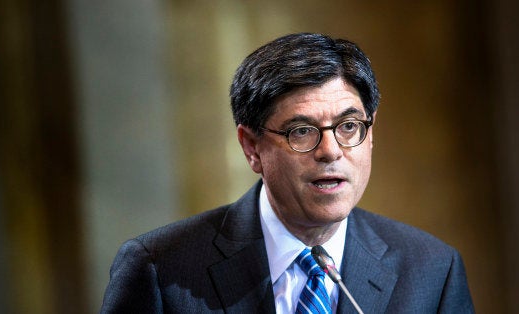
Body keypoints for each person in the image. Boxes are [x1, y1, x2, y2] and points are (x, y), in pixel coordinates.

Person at [101, 33, 474, 313]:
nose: (330, 151)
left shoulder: (431, 271)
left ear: (370, 132)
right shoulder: (161, 270)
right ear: (251, 147)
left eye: (348, 127)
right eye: (302, 132)